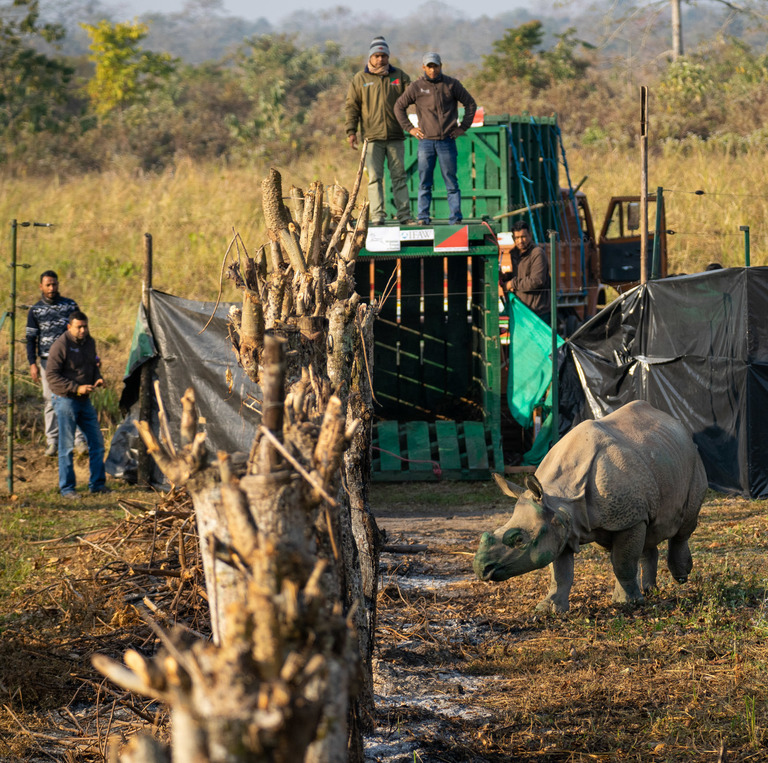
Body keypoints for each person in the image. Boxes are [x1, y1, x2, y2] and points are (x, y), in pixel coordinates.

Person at [394, 52, 477, 225]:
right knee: (424, 181)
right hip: (426, 142)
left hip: (447, 141)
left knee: (451, 182)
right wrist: (410, 128)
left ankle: (455, 218)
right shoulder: (416, 87)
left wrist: (463, 127)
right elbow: (399, 106)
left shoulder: (451, 84)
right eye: (429, 66)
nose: (433, 70)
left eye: (436, 66)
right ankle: (423, 217)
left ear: (441, 66)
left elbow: (470, 104)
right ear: (423, 67)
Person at [345, 36, 413, 226]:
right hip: (371, 138)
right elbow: (352, 107)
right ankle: (377, 217)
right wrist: (351, 131)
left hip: (395, 136)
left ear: (388, 56)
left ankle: (404, 216)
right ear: (370, 57)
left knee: (399, 176)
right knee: (375, 178)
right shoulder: (360, 79)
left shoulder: (399, 76)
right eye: (377, 56)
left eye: (383, 55)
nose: (380, 59)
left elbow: (415, 96)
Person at [45, 310, 108, 497]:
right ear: (69, 327)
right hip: (65, 400)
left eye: (85, 326)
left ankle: (97, 484)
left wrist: (98, 378)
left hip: (84, 401)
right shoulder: (60, 346)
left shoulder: (90, 342)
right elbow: (51, 377)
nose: (83, 330)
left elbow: (93, 365)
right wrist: (76, 388)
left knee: (97, 443)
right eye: (79, 327)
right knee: (66, 447)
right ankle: (67, 488)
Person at [26, 270, 86, 457]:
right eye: (48, 285)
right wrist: (32, 363)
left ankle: (79, 440)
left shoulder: (70, 306)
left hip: (70, 361)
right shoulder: (35, 310)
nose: (52, 288)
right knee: (50, 400)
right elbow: (30, 339)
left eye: (55, 284)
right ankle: (53, 442)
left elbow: (81, 331)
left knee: (74, 397)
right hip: (46, 362)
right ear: (41, 286)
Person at [500, 221, 551, 324]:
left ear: (530, 235)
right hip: (522, 309)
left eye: (523, 237)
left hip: (538, 312)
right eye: (517, 238)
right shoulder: (514, 253)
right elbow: (521, 275)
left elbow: (537, 281)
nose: (520, 241)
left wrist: (511, 283)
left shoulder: (537, 253)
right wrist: (506, 277)